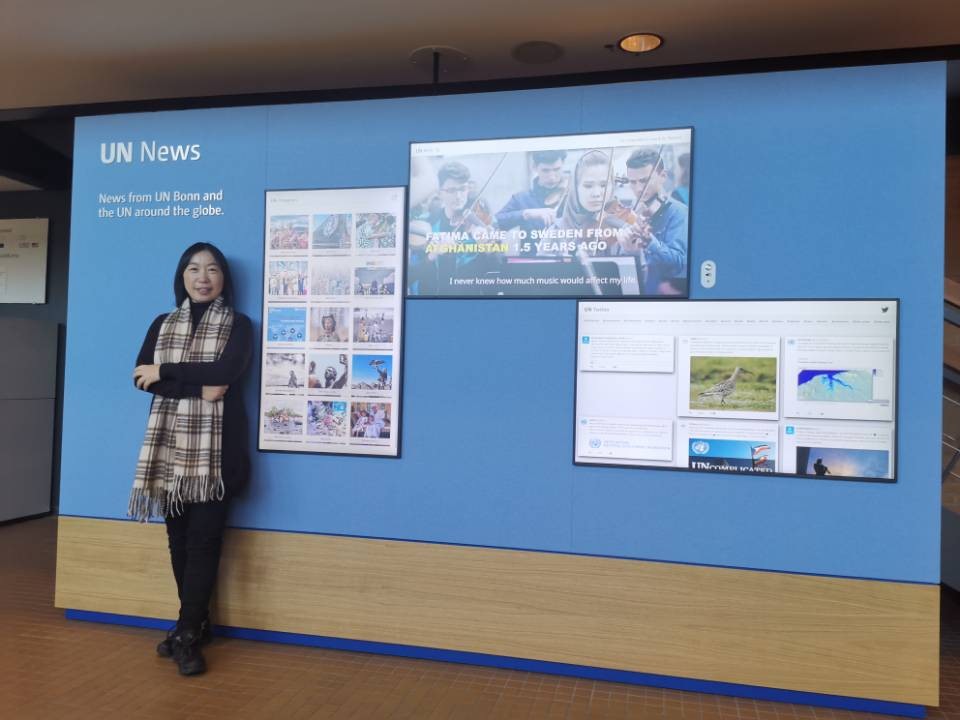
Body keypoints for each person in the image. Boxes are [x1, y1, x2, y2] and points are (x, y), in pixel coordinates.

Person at [131, 242, 252, 677]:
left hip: (216, 456)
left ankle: (185, 632)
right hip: (168, 451)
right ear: (181, 277)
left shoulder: (239, 325)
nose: (203, 278)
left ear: (224, 279)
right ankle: (194, 626)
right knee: (178, 540)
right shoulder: (161, 323)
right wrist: (195, 388)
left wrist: (166, 371)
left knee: (203, 541)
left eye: (212, 269)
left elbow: (226, 371)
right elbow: (140, 377)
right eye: (194, 269)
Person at [412, 161, 500, 294]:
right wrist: (433, 255)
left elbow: (499, 268)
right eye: (451, 190)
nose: (458, 196)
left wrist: (488, 250)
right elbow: (409, 276)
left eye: (462, 189)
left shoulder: (481, 221)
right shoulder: (429, 222)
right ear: (440, 193)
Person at [616, 148, 689, 295]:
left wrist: (650, 241)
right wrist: (628, 250)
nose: (639, 189)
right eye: (633, 182)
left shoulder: (679, 212)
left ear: (663, 176)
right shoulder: (634, 213)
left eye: (644, 181)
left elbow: (679, 264)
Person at [495, 150, 567, 255]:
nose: (552, 177)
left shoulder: (572, 195)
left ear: (563, 164)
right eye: (545, 171)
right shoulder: (521, 198)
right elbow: (496, 222)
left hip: (569, 263)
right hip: (532, 262)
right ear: (534, 167)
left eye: (557, 169)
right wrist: (525, 214)